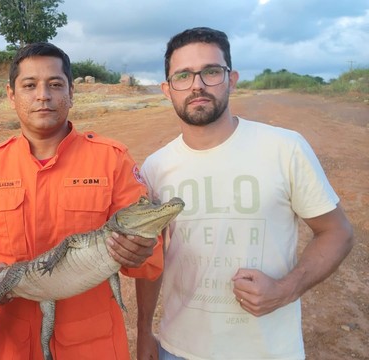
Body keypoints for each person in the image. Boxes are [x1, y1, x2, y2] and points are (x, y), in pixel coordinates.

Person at [135, 27, 354, 360]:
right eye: (183, 76)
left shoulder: (284, 148)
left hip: (268, 350)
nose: (197, 85)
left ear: (231, 79)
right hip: (178, 349)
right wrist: (143, 330)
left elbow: (337, 232)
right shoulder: (155, 167)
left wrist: (285, 289)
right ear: (167, 89)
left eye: (210, 71)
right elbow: (153, 259)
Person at [0, 42, 163, 360]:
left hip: (94, 346)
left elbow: (149, 249)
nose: (43, 95)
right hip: (14, 346)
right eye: (29, 85)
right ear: (11, 95)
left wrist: (139, 252)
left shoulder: (112, 160)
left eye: (55, 84)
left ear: (71, 92)